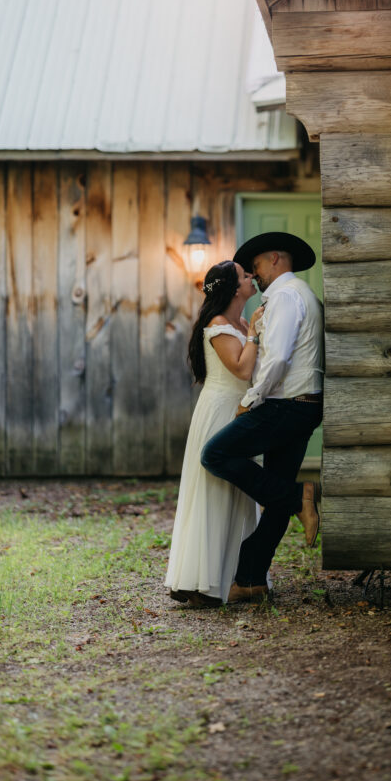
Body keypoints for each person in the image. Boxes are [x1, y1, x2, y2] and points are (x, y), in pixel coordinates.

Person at [201, 231, 324, 604]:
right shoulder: (298, 294)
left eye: (255, 267)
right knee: (275, 494)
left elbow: (279, 359)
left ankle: (298, 496)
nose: (253, 276)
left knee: (216, 455)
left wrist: (251, 400)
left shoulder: (286, 297)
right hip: (303, 405)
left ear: (275, 258)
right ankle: (251, 580)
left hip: (286, 405)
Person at [165, 260, 265, 608]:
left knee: (237, 492)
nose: (252, 277)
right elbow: (241, 367)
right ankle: (200, 580)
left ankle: (233, 577)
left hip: (241, 411)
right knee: (213, 491)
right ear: (234, 287)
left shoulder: (237, 322)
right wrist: (253, 331)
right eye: (245, 274)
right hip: (220, 412)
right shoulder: (219, 324)